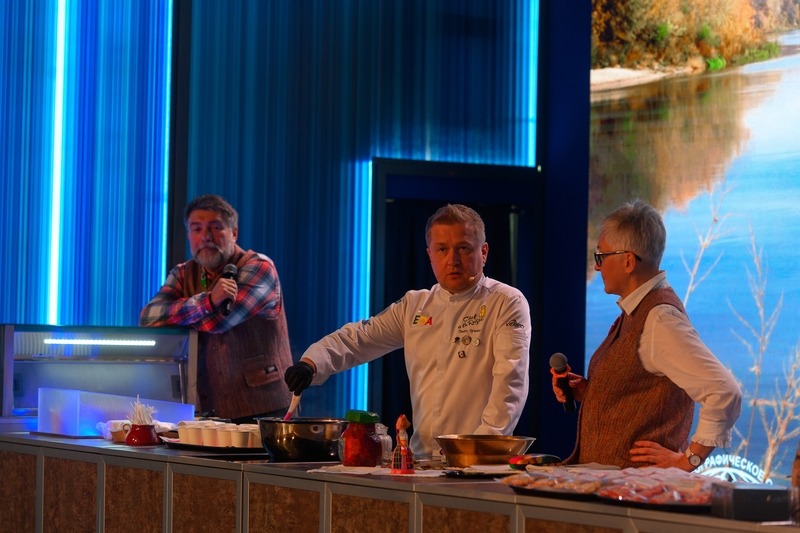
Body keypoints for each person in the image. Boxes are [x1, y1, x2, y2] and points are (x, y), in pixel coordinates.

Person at [284, 204, 531, 457]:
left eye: (464, 248)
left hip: (480, 461)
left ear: (484, 252)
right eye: (442, 249)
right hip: (421, 461)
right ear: (430, 255)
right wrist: (311, 363)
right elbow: (358, 338)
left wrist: (476, 450)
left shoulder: (506, 302)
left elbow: (509, 386)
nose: (453, 260)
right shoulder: (415, 306)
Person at [553, 200, 742, 470]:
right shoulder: (639, 311)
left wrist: (688, 460)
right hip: (617, 487)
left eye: (601, 257)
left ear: (628, 261)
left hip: (636, 490)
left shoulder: (659, 320)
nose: (597, 267)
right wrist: (592, 393)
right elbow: (640, 393)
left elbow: (724, 391)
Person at [140, 194, 293, 422]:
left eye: (216, 227)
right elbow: (148, 318)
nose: (206, 237)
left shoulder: (260, 268)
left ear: (234, 233)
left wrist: (180, 314)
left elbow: (220, 322)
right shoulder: (183, 273)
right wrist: (209, 301)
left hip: (266, 412)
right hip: (207, 413)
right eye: (197, 229)